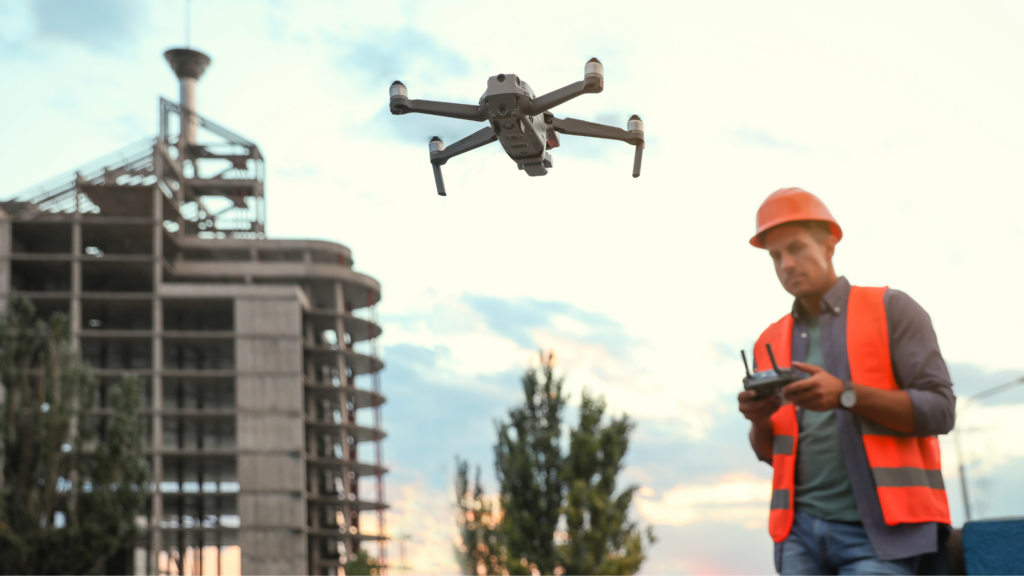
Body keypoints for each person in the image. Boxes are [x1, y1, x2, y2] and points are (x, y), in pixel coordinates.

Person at [738, 187, 955, 575]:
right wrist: (757, 419)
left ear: (830, 244)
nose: (786, 264)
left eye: (797, 248)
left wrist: (846, 396)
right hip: (798, 535)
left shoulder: (893, 309)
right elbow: (774, 455)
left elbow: (940, 411)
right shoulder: (769, 341)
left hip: (886, 535)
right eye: (776, 256)